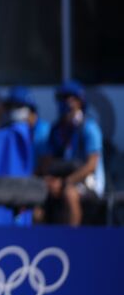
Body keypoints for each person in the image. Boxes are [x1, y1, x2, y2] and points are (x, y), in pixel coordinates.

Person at [36, 81, 105, 226]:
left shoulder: (89, 128)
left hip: (88, 183)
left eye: (69, 98)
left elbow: (91, 166)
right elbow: (47, 162)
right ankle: (41, 242)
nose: (65, 103)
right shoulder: (56, 130)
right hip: (61, 180)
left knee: (69, 193)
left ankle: (72, 242)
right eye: (61, 98)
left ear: (79, 101)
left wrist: (64, 182)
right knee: (38, 193)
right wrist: (49, 180)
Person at [2, 86, 50, 167]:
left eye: (18, 106)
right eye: (10, 107)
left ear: (31, 111)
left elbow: (46, 163)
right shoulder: (7, 129)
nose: (13, 110)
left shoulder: (44, 131)